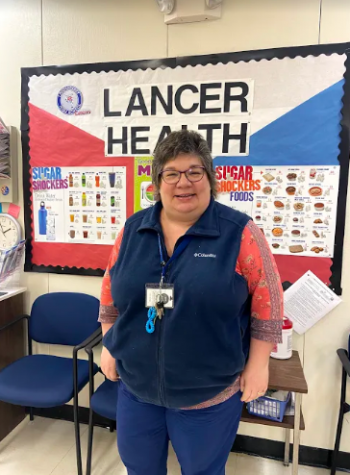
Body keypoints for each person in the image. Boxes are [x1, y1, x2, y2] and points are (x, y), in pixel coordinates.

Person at [99, 130, 284, 475]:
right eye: (171, 173)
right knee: (139, 467)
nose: (183, 182)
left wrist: (259, 364)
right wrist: (110, 344)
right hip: (136, 388)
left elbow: (268, 303)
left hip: (207, 395)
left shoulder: (240, 233)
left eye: (194, 171)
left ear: (209, 178)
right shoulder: (132, 229)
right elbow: (110, 293)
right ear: (157, 182)